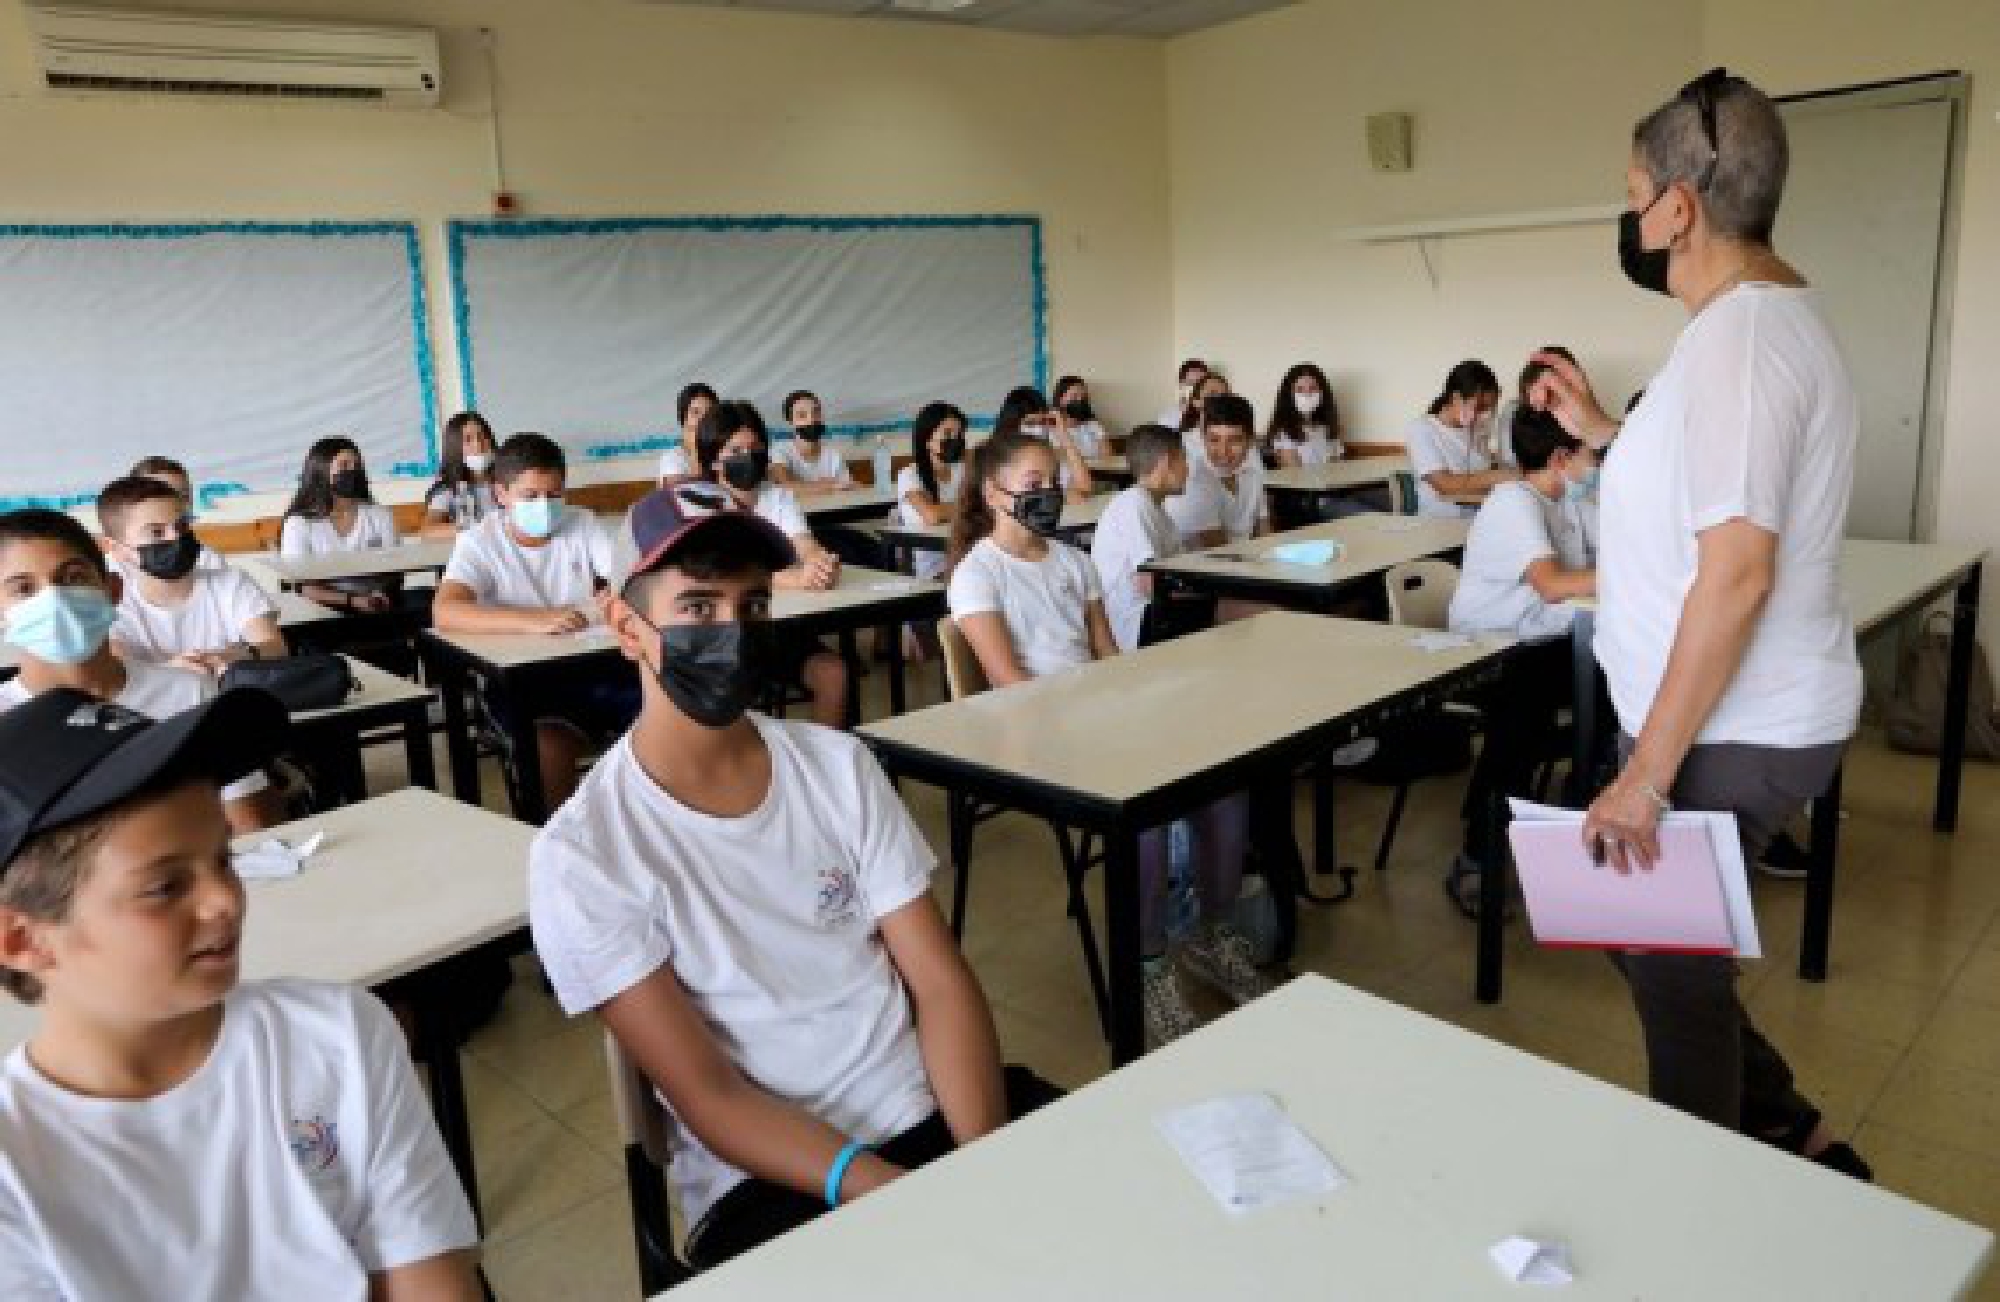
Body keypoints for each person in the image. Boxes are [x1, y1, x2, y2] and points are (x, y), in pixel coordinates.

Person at [529, 482, 1056, 1269]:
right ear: (626, 626)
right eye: (699, 609)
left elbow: (940, 982)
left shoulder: (837, 766)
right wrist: (893, 1193)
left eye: (751, 608)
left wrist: (981, 1164)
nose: (731, 634)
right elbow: (711, 1097)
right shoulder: (586, 853)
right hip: (772, 1175)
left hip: (930, 1106)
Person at [1534, 68, 1869, 1179]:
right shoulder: (1744, 326)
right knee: (1647, 943)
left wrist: (1646, 776)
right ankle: (1781, 1125)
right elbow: (1696, 486)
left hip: (1735, 728)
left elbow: (1734, 575)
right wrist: (1598, 429)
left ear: (1676, 206)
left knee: (1669, 966)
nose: (1629, 216)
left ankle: (1701, 1203)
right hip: (1722, 718)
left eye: (1633, 192)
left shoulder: (1740, 343)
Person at [0, 687, 480, 1297]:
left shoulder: (338, 1036)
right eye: (165, 886)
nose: (225, 900)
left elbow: (432, 1282)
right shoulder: (16, 1167)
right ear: (21, 939)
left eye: (224, 859)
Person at [947, 431, 1270, 1048]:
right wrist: (1098, 714)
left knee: (1224, 786)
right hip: (1027, 733)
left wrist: (1131, 705)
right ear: (994, 492)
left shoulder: (1073, 561)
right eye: (1032, 484)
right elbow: (1008, 683)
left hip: (1096, 716)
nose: (1049, 495)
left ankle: (1209, 932)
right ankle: (1147, 964)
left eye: (1053, 482)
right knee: (1142, 815)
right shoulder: (977, 574)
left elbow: (1107, 652)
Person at [0, 508, 284, 834]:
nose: (55, 600)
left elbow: (254, 827)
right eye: (23, 589)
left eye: (73, 577)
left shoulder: (191, 692)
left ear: (113, 589)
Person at [1441, 405, 1599, 915]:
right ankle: (1478, 854)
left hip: (1542, 643)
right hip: (1485, 651)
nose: (1597, 463)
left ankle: (1583, 824)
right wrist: (1643, 572)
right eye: (1591, 453)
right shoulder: (1514, 501)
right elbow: (1554, 585)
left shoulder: (1574, 501)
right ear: (1560, 458)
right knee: (1524, 713)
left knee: (1621, 688)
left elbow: (1603, 559)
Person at [433, 433, 631, 814]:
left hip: (592, 669)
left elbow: (629, 579)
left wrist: (618, 598)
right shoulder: (479, 542)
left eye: (555, 494)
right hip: (523, 686)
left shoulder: (582, 523)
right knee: (548, 748)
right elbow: (446, 612)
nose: (545, 505)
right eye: (530, 496)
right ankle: (557, 843)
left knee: (663, 715)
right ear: (501, 494)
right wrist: (533, 621)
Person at [693, 401, 848, 729]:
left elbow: (803, 542)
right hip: (724, 636)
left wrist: (820, 562)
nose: (747, 456)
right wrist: (796, 580)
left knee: (833, 673)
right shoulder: (700, 504)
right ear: (715, 459)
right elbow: (724, 577)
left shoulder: (777, 498)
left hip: (781, 630)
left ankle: (823, 772)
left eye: (755, 448)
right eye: (735, 449)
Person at [96, 477, 285, 673]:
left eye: (182, 526)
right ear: (116, 549)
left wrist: (236, 656)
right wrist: (173, 672)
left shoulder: (231, 583)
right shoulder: (112, 606)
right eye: (157, 532)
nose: (176, 537)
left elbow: (275, 647)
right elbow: (118, 671)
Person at [1089, 424, 1190, 654]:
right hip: (1134, 624)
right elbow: (1148, 584)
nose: (1187, 468)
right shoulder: (1133, 503)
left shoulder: (1156, 508)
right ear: (1166, 462)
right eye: (1184, 460)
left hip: (1154, 612)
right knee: (1233, 609)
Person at [279, 437, 405, 615]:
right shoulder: (299, 523)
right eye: (344, 465)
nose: (353, 470)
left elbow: (396, 569)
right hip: (322, 610)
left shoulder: (379, 514)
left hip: (377, 605)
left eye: (357, 465)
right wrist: (352, 601)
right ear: (321, 471)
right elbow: (302, 586)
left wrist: (379, 595)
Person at [1405, 361, 1517, 517]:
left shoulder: (1478, 428)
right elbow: (1444, 484)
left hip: (1480, 514)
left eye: (1490, 409)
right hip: (1441, 521)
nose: (1485, 415)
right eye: (1480, 407)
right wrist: (1502, 475)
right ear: (1456, 397)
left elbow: (1481, 472)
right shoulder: (1421, 429)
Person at [1165, 393, 1269, 549]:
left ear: (1250, 441)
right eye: (1214, 440)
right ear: (1202, 438)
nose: (1223, 451)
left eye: (1234, 440)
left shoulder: (1252, 474)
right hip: (1205, 568)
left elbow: (1264, 531)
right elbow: (1218, 552)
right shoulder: (1192, 479)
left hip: (1245, 563)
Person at [895, 401, 969, 583]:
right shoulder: (909, 475)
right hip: (935, 568)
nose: (956, 439)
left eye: (959, 434)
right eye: (948, 433)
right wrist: (968, 505)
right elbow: (932, 515)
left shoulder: (962, 469)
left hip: (967, 558)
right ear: (927, 439)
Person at [123, 457, 227, 574]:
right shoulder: (117, 564)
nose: (177, 505)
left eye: (184, 496)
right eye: (163, 496)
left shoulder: (208, 559)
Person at [993, 386, 1094, 503]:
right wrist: (1064, 494)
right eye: (1030, 423)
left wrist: (1063, 432)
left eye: (1041, 422)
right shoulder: (1000, 455)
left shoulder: (1048, 450)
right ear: (1012, 423)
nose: (1038, 429)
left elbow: (1085, 487)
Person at [1490, 347, 1580, 470]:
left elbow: (1586, 461)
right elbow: (1507, 464)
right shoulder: (1512, 411)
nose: (1540, 399)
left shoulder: (1577, 411)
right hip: (1524, 482)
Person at [420, 411, 500, 539]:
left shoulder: (507, 481)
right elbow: (428, 530)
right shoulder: (448, 489)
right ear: (455, 448)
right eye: (468, 440)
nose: (478, 445)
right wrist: (473, 528)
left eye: (482, 436)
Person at [770, 390, 856, 496]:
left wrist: (808, 486)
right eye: (802, 415)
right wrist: (829, 485)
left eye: (816, 412)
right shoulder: (780, 450)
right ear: (791, 422)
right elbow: (785, 487)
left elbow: (849, 487)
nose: (811, 420)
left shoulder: (833, 454)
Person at [1266, 363, 1345, 468]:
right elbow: (1294, 474)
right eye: (1300, 389)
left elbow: (1338, 466)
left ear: (1322, 393)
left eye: (1313, 388)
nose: (1307, 394)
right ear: (1289, 395)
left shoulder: (1328, 428)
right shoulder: (1283, 433)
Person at [657, 382, 719, 483]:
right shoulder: (672, 458)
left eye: (709, 412)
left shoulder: (719, 452)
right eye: (696, 412)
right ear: (683, 417)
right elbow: (685, 495)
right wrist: (695, 450)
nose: (703, 419)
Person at [1050, 375, 1108, 459]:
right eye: (1074, 396)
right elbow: (1058, 457)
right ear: (1061, 399)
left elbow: (1107, 454)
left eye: (1083, 396)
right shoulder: (1049, 427)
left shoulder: (1093, 424)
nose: (1080, 400)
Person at [1157, 357, 1210, 428]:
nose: (1197, 388)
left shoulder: (1216, 415)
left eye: (1201, 383)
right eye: (1191, 383)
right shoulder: (1167, 418)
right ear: (1181, 386)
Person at [1176, 371, 1232, 437]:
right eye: (1212, 394)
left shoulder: (1239, 433)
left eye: (1225, 395)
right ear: (1196, 402)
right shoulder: (1183, 440)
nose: (1220, 400)